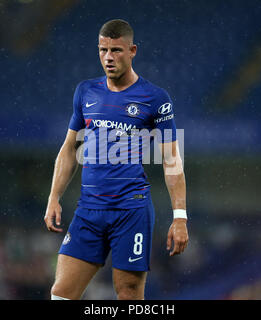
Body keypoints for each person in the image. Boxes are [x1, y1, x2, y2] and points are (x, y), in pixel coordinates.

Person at [44, 19, 188, 300]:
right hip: (89, 210)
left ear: (132, 50)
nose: (108, 57)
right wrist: (53, 196)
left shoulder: (155, 98)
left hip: (131, 211)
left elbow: (171, 160)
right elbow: (69, 148)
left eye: (116, 50)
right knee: (61, 293)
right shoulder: (86, 92)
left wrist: (179, 217)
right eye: (103, 50)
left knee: (129, 292)